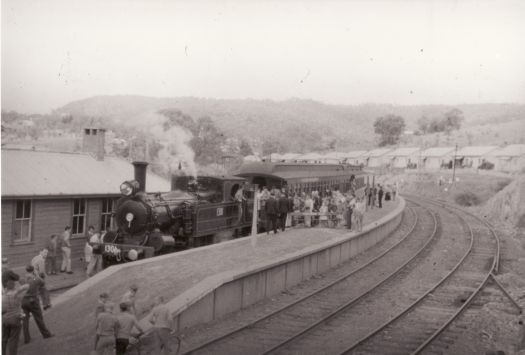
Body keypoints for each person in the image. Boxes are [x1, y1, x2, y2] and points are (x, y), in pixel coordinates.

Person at [21, 265, 54, 344]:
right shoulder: (36, 278)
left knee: (25, 320)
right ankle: (46, 334)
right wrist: (36, 275)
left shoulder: (22, 279)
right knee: (39, 318)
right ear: (33, 270)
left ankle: (27, 339)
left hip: (24, 300)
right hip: (33, 300)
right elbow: (43, 282)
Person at [2, 279, 29, 355]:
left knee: (4, 339)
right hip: (15, 319)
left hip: (4, 320)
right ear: (14, 286)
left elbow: (2, 311)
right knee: (13, 340)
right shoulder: (17, 295)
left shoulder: (2, 297)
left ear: (6, 287)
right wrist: (17, 289)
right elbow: (27, 286)